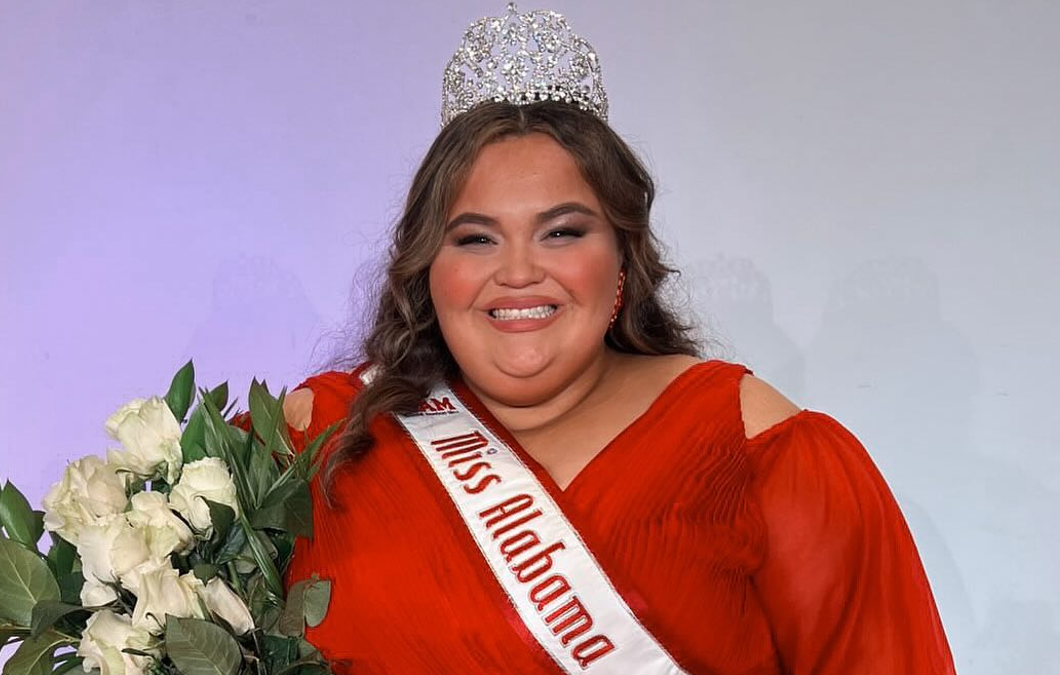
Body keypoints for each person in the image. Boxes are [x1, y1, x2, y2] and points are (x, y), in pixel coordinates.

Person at [278, 4, 956, 674]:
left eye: (563, 232)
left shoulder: (762, 454)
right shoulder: (321, 440)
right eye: (476, 238)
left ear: (625, 262)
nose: (517, 272)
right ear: (429, 270)